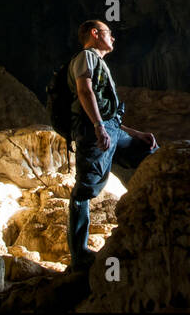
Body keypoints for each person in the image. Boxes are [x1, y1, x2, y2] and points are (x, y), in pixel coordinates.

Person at [67, 19, 158, 272]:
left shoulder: (100, 64)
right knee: (85, 188)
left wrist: (136, 133)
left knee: (150, 152)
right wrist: (97, 127)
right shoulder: (86, 57)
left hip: (110, 131)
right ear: (95, 34)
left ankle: (155, 216)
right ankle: (79, 254)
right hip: (93, 133)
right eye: (109, 33)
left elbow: (110, 115)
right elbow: (85, 91)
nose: (114, 38)